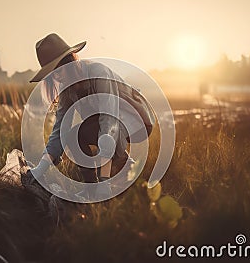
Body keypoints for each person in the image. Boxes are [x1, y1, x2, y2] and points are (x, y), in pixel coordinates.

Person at [22, 33, 153, 196]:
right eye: (52, 73)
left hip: (135, 120)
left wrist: (104, 180)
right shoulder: (67, 88)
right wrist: (40, 168)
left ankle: (116, 176)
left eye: (58, 70)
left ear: (68, 62)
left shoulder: (98, 72)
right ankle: (97, 185)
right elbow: (60, 128)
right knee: (72, 135)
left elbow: (109, 120)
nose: (56, 76)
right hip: (109, 124)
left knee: (104, 134)